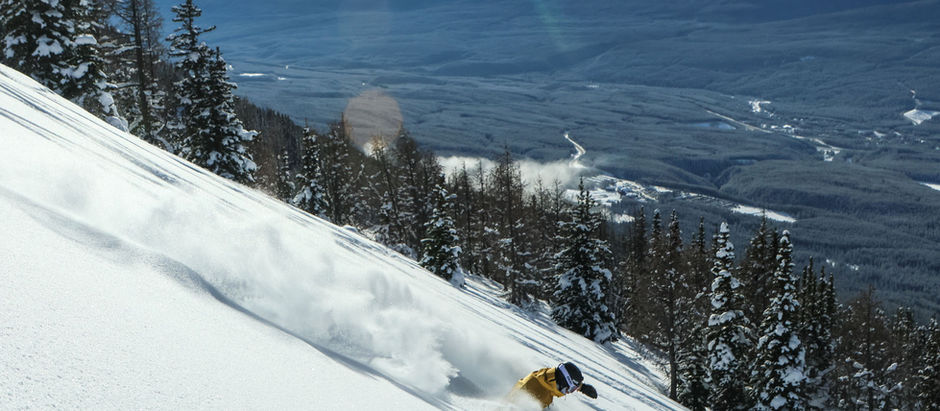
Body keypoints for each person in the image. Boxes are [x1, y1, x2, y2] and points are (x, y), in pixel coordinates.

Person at [508, 362, 597, 408]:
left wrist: (582, 388)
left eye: (574, 389)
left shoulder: (547, 379)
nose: (569, 392)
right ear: (563, 382)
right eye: (571, 389)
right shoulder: (533, 392)